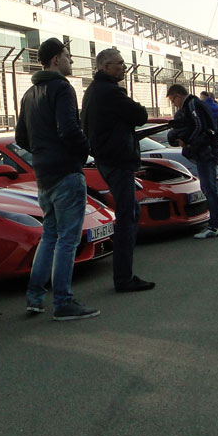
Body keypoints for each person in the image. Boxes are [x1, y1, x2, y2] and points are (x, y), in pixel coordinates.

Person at [15, 37, 99, 321]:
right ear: (55, 60)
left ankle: (35, 298)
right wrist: (84, 151)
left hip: (44, 175)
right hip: (65, 172)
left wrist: (43, 153)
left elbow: (20, 138)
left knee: (49, 235)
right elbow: (69, 128)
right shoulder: (62, 88)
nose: (70, 60)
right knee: (68, 239)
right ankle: (63, 302)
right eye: (67, 55)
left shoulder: (30, 93)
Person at [80, 48, 154, 293]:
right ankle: (124, 277)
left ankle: (125, 275)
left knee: (130, 211)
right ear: (105, 67)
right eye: (120, 64)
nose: (124, 67)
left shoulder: (92, 92)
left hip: (107, 159)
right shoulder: (110, 92)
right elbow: (140, 115)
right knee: (127, 215)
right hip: (117, 160)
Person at [165, 84, 218, 239]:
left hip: (206, 150)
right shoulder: (196, 103)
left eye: (173, 100)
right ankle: (216, 224)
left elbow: (199, 126)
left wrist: (188, 142)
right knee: (209, 187)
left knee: (208, 188)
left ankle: (214, 226)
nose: (174, 104)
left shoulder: (191, 105)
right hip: (210, 148)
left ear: (178, 95)